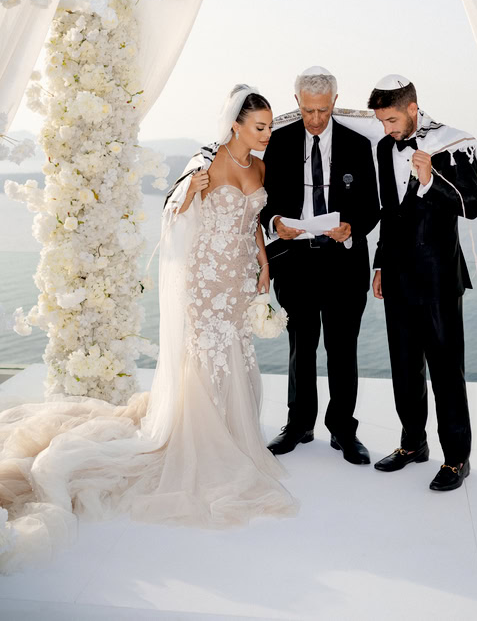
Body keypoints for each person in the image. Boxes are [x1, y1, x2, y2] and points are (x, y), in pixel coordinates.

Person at [0, 85, 296, 573]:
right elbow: (174, 217)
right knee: (206, 355)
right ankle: (200, 439)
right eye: (259, 126)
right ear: (235, 125)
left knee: (236, 353)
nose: (266, 134)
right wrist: (187, 197)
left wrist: (264, 266)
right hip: (205, 280)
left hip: (241, 276)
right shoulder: (208, 164)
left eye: (268, 127)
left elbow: (253, 224)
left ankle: (232, 431)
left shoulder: (259, 168)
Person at [367, 74, 477, 491]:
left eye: (392, 119)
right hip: (396, 275)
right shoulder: (384, 148)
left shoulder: (452, 144)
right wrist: (379, 264)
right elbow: (388, 212)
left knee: (447, 370)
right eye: (382, 122)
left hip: (437, 277)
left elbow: (472, 206)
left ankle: (457, 459)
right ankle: (412, 443)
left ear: (413, 108)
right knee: (404, 367)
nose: (387, 129)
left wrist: (432, 181)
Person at [261, 67, 380, 465]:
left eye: (323, 111)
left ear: (334, 102)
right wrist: (276, 223)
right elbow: (267, 200)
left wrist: (352, 228)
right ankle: (299, 425)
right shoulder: (277, 144)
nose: (315, 120)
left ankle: (344, 430)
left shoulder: (358, 145)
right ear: (297, 103)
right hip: (296, 262)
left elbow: (371, 207)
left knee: (343, 349)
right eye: (309, 111)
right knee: (301, 347)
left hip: (344, 264)